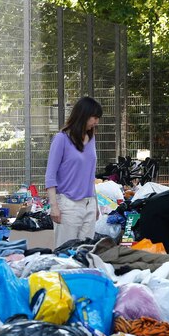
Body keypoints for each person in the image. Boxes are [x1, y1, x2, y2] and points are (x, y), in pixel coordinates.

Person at [46, 96, 102, 248]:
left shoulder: (91, 139)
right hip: (68, 205)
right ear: (83, 115)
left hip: (89, 204)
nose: (96, 122)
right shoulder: (61, 139)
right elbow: (50, 175)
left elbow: (90, 175)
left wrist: (95, 204)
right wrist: (54, 206)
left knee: (86, 253)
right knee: (65, 255)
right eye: (94, 118)